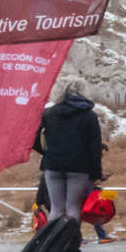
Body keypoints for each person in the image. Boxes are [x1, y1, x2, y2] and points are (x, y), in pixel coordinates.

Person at [33, 84, 104, 226]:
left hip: (53, 166)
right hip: (79, 168)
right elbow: (95, 147)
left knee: (56, 209)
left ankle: (54, 244)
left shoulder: (48, 113)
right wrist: (97, 173)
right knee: (73, 209)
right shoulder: (89, 115)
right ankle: (72, 244)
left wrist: (47, 153)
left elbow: (34, 141)